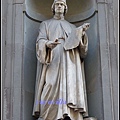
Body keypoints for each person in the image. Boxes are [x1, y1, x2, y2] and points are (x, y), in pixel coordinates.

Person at [32, 0, 90, 120]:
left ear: (65, 8)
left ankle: (70, 113)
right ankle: (47, 114)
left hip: (70, 60)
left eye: (62, 4)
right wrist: (47, 44)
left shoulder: (72, 27)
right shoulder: (46, 24)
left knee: (69, 85)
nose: (59, 6)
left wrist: (82, 34)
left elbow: (82, 51)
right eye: (57, 4)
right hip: (53, 57)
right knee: (50, 84)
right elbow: (40, 40)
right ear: (53, 7)